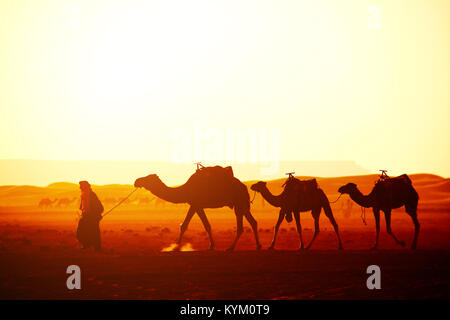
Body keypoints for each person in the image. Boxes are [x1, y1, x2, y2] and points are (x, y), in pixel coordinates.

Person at [76, 181, 104, 251]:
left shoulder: (92, 195)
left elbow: (99, 207)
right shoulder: (83, 194)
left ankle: (97, 248)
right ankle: (86, 245)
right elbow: (82, 206)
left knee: (94, 232)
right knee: (82, 231)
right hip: (86, 216)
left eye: (81, 186)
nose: (80, 187)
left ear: (84, 186)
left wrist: (96, 215)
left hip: (92, 217)